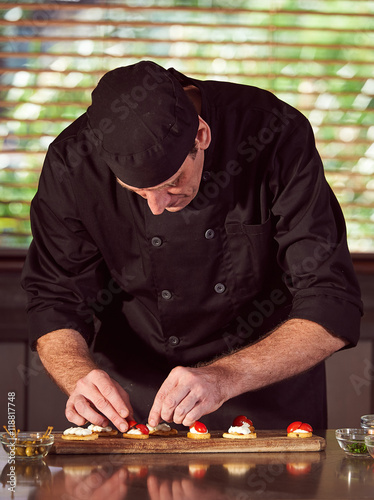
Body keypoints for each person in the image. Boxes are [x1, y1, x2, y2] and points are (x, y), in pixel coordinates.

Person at [21, 60, 362, 433]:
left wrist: (225, 376)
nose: (157, 205)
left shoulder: (274, 133)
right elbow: (55, 299)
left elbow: (330, 299)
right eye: (137, 192)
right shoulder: (71, 164)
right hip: (133, 404)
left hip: (266, 400)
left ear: (200, 135)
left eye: (171, 183)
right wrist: (79, 376)